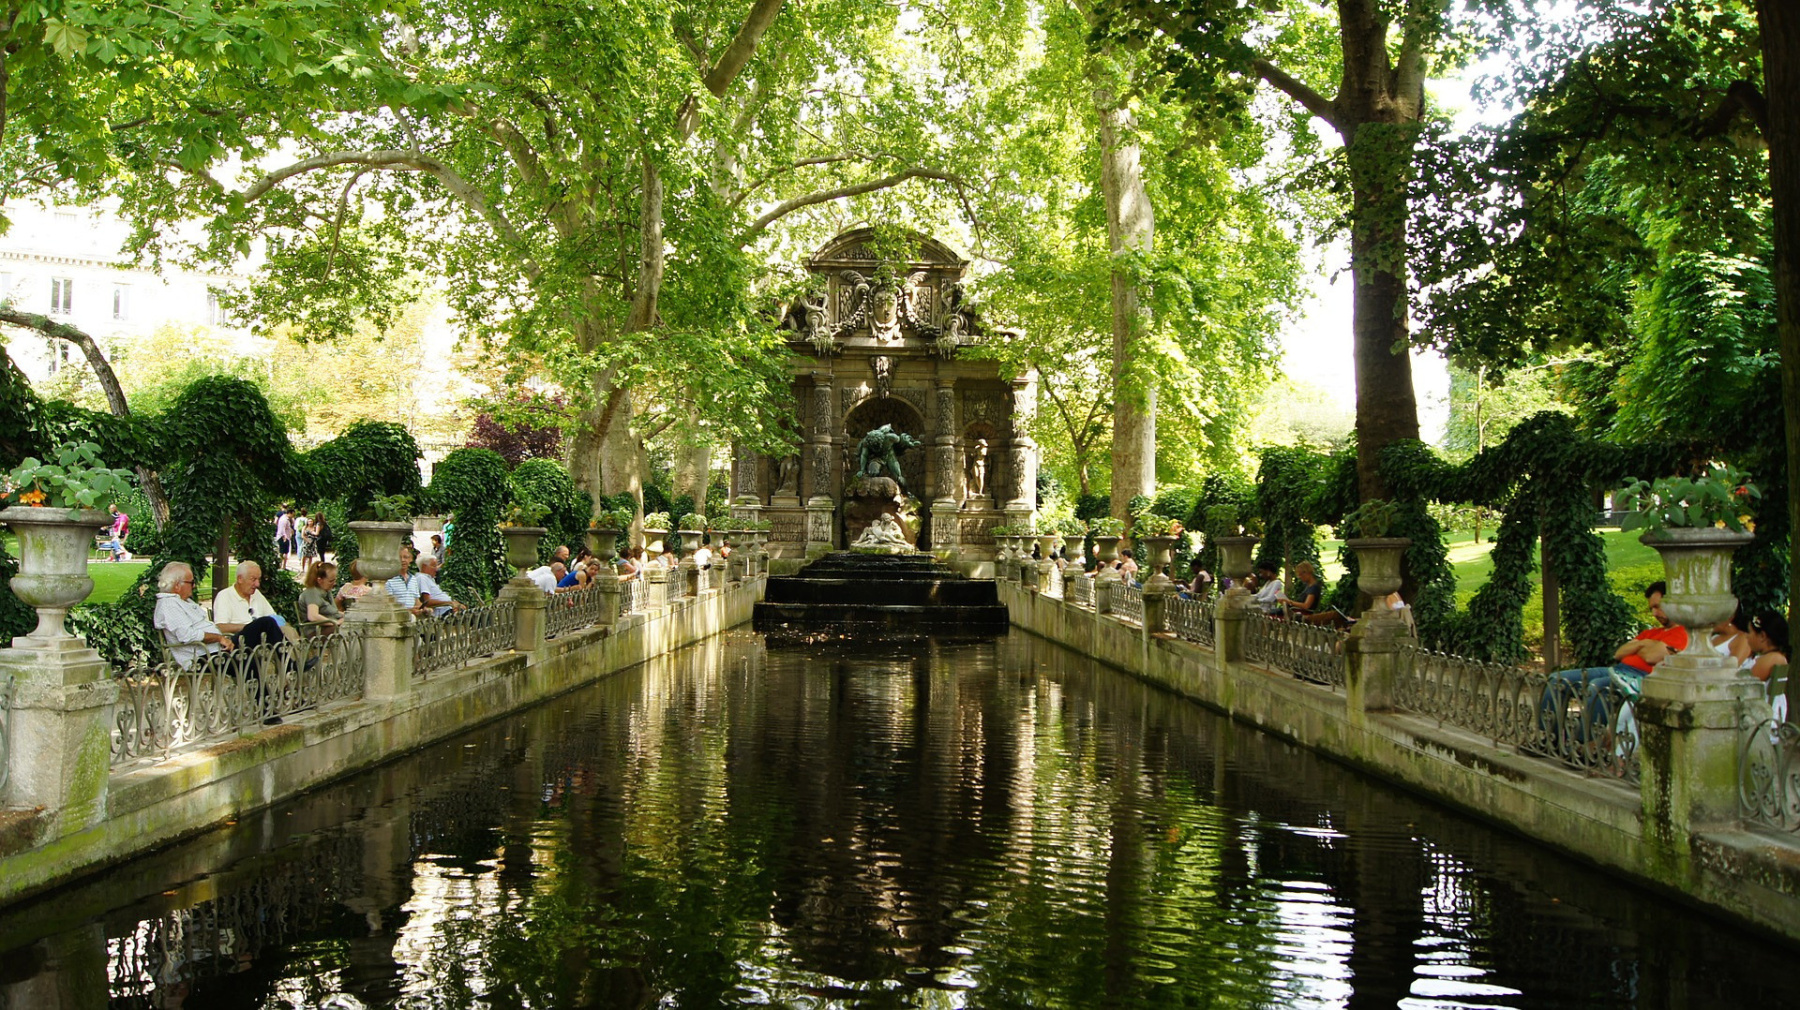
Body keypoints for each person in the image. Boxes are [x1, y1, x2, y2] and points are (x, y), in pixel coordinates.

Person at [1540, 582, 1685, 745]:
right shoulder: (1652, 632)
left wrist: (1639, 644)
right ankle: (1549, 737)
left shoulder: (1683, 632)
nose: (1654, 613)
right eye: (1651, 608)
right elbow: (1619, 652)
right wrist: (1642, 644)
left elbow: (1652, 657)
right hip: (1616, 669)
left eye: (1658, 607)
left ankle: (1583, 744)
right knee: (1556, 679)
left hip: (1638, 678)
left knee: (1597, 687)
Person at [152, 562, 239, 668]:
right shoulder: (169, 604)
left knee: (256, 634)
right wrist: (219, 638)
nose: (194, 586)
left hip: (216, 651)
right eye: (191, 582)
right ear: (177, 586)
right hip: (201, 659)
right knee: (250, 659)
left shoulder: (184, 601)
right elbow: (187, 635)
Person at [212, 560, 290, 648]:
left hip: (262, 643)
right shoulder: (225, 596)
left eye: (258, 579)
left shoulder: (256, 594)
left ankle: (293, 656)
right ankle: (290, 658)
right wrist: (251, 627)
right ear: (240, 579)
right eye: (253, 579)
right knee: (266, 622)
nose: (257, 584)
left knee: (285, 628)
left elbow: (272, 617)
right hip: (239, 644)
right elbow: (220, 627)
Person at [1741, 609, 1792, 721]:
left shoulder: (1773, 659)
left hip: (1758, 723)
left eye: (1749, 632)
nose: (1746, 637)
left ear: (1762, 636)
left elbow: (1741, 686)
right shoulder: (1771, 657)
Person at [297, 561, 344, 633]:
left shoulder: (326, 591)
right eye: (331, 581)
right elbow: (313, 616)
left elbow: (332, 612)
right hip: (316, 632)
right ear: (319, 580)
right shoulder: (312, 593)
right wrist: (334, 622)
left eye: (335, 580)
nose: (334, 583)